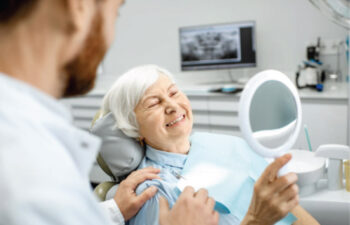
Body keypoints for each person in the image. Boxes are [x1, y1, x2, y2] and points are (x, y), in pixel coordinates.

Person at [0, 1, 218, 225]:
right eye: (116, 11)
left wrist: (113, 211)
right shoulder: (24, 166)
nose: (111, 34)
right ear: (78, 7)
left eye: (173, 92)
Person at [101, 64, 320, 225]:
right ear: (134, 128)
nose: (172, 106)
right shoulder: (151, 192)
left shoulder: (223, 143)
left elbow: (288, 206)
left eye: (174, 92)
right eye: (153, 103)